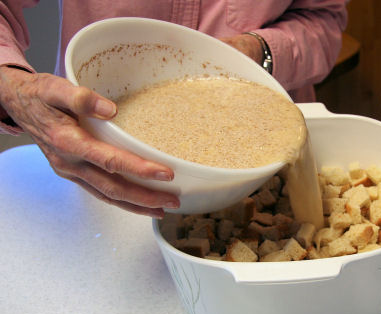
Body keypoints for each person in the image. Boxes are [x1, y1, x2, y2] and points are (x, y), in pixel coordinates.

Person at [0, 0, 348, 218]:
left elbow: (323, 19)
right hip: (93, 171)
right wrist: (15, 89)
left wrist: (258, 52)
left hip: (262, 172)